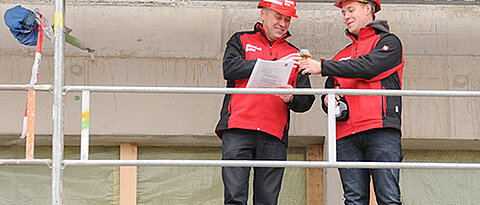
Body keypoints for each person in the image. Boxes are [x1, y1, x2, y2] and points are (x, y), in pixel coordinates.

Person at [299, 0, 404, 204]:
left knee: (388, 198)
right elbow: (328, 93)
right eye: (343, 12)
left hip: (380, 128)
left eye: (350, 10)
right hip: (346, 134)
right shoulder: (341, 55)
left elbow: (369, 67)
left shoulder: (389, 42)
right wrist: (329, 101)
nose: (346, 16)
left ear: (368, 9)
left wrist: (323, 66)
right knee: (354, 199)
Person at [215, 0, 315, 204]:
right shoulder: (240, 39)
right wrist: (271, 65)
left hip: (274, 134)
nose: (283, 23)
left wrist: (292, 98)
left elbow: (306, 101)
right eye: (278, 17)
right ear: (263, 14)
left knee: (268, 199)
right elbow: (230, 69)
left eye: (287, 19)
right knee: (234, 197)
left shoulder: (295, 54)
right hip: (238, 127)